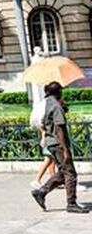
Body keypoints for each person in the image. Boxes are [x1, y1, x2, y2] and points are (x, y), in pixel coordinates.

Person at [30, 82, 85, 213]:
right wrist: (65, 149)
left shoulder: (48, 103)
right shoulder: (56, 106)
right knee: (70, 173)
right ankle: (71, 203)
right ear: (58, 92)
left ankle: (41, 192)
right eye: (61, 91)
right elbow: (59, 129)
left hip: (51, 143)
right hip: (58, 143)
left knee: (62, 172)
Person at [30, 91, 55, 191]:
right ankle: (37, 179)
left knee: (51, 159)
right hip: (49, 137)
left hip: (47, 137)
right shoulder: (46, 106)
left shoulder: (44, 105)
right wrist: (44, 132)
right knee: (49, 159)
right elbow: (41, 123)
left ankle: (53, 179)